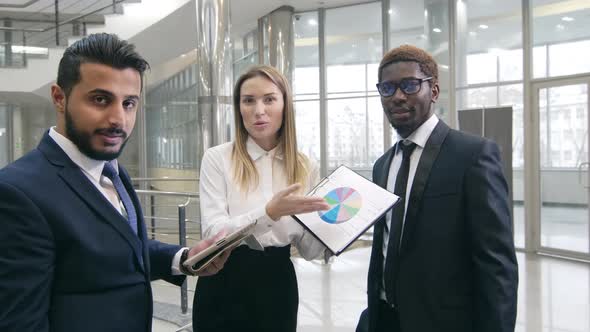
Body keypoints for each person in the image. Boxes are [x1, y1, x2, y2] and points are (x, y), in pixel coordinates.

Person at [0, 33, 229, 332]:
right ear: (59, 97)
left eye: (129, 103)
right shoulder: (18, 192)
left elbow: (119, 249)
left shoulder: (110, 170)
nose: (118, 119)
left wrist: (183, 259)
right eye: (100, 99)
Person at [357, 45, 518, 332]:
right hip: (385, 319)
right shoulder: (383, 165)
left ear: (433, 91)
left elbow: (497, 265)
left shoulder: (473, 156)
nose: (398, 96)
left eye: (410, 85)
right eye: (387, 88)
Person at [192, 65, 330, 332]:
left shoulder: (304, 166)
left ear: (284, 105)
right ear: (239, 107)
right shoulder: (218, 158)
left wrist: (338, 231)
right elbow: (213, 231)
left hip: (278, 285)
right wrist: (269, 213)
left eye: (269, 99)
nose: (259, 111)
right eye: (248, 101)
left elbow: (310, 251)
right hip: (224, 280)